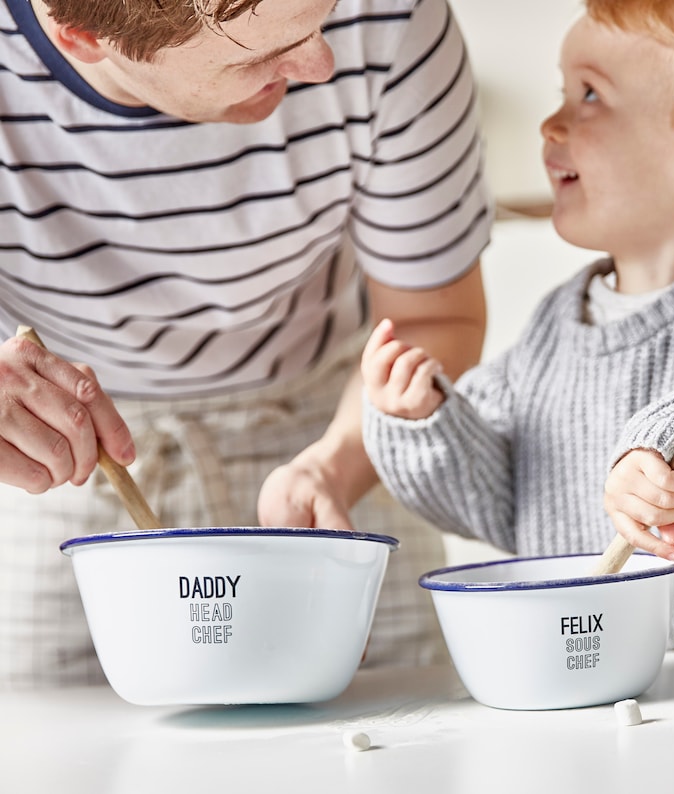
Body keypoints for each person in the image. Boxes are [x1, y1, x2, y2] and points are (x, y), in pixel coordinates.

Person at [0, 0, 493, 687]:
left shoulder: (388, 16)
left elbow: (434, 320)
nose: (322, 64)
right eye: (257, 56)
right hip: (64, 475)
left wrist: (333, 467)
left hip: (335, 435)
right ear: (81, 37)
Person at [362, 0, 674, 650]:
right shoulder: (552, 328)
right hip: (591, 673)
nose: (550, 123)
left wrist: (667, 438)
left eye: (590, 95)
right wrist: (426, 423)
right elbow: (494, 501)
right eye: (563, 91)